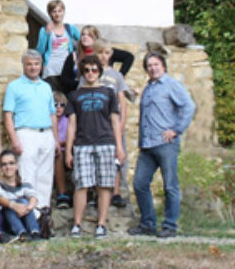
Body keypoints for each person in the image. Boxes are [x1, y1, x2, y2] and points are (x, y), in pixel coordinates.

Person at [129, 52, 195, 238]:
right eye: (149, 65)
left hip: (166, 144)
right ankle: (148, 224)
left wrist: (176, 130)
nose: (153, 68)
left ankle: (170, 226)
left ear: (163, 66)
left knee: (170, 186)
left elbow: (189, 107)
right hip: (147, 145)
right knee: (140, 183)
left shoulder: (171, 85)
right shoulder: (148, 88)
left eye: (156, 64)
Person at [65, 55, 125, 239]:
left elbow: (115, 121)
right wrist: (68, 150)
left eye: (94, 70)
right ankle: (77, 224)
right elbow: (72, 125)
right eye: (87, 70)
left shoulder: (108, 93)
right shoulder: (74, 95)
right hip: (83, 143)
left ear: (99, 71)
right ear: (82, 72)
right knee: (81, 185)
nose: (91, 73)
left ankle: (101, 224)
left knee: (104, 185)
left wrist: (119, 146)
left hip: (106, 141)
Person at [3, 49, 60, 214]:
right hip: (26, 133)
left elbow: (52, 114)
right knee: (27, 174)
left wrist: (55, 139)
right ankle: (30, 213)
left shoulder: (46, 87)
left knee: (45, 175)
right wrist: (14, 139)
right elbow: (8, 116)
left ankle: (43, 212)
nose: (33, 67)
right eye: (29, 64)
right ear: (23, 65)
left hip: (46, 133)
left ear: (41, 66)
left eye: (36, 64)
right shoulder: (14, 87)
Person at [88, 39, 131, 207]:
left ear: (110, 55)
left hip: (113, 122)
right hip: (94, 122)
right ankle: (94, 191)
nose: (103, 56)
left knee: (117, 158)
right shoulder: (89, 73)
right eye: (100, 52)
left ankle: (116, 192)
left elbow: (122, 101)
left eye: (106, 53)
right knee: (94, 157)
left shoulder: (116, 76)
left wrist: (122, 123)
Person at [0, 149, 42, 240]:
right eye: (4, 164)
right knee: (9, 206)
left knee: (24, 201)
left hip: (23, 216)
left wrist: (26, 208)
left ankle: (34, 232)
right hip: (6, 222)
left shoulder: (24, 183)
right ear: (0, 168)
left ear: (17, 165)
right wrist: (14, 206)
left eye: (11, 163)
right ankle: (22, 233)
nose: (8, 167)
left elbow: (34, 198)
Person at [35, 0, 81, 92]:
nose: (57, 14)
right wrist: (47, 33)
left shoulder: (70, 28)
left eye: (60, 11)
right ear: (50, 13)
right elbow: (39, 51)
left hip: (66, 68)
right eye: (54, 11)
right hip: (51, 69)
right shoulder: (44, 30)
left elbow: (83, 40)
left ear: (64, 12)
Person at [52, 90, 71, 209]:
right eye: (55, 104)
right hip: (53, 151)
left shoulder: (67, 120)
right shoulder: (47, 120)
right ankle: (61, 193)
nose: (59, 108)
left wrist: (59, 143)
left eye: (62, 105)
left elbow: (71, 139)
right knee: (57, 155)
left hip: (66, 150)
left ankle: (64, 193)